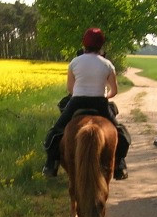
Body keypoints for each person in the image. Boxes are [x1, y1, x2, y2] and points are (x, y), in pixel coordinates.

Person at [42, 27, 130, 180]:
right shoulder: (107, 64)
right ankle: (120, 165)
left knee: (55, 132)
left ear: (84, 44)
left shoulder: (74, 62)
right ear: (101, 45)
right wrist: (105, 96)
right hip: (100, 103)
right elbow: (114, 91)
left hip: (77, 101)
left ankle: (51, 164)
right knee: (121, 133)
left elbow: (70, 88)